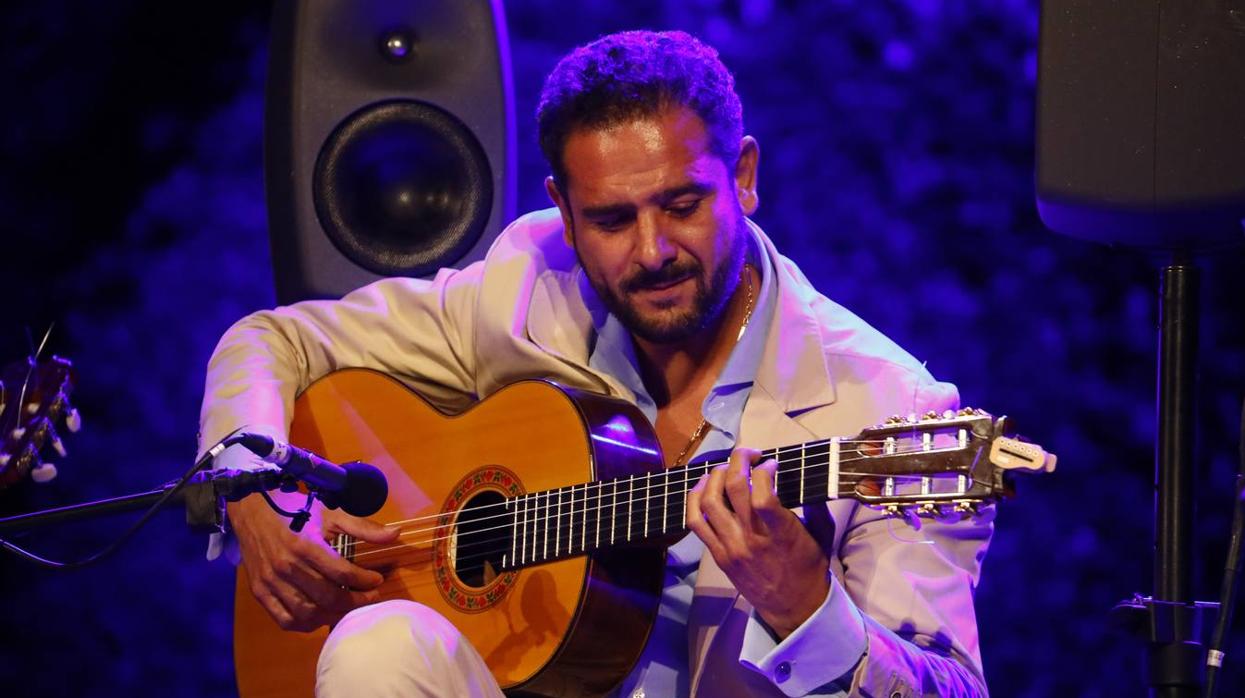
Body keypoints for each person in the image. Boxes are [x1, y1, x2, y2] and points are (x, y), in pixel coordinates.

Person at [200, 30, 992, 697]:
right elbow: (275, 340)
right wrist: (251, 486)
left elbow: (952, 687)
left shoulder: (890, 408)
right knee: (379, 644)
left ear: (742, 178)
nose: (652, 252)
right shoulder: (525, 287)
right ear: (565, 213)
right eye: (611, 219)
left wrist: (808, 609)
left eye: (682, 205)